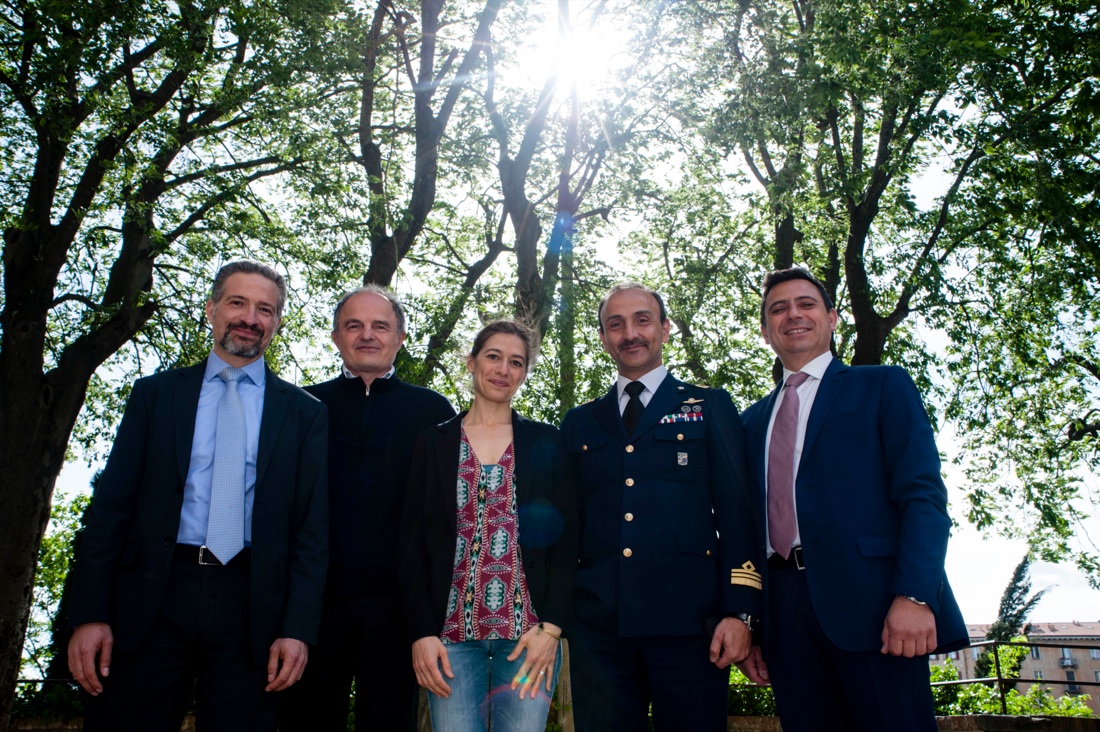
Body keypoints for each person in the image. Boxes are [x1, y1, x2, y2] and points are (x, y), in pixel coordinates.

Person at [67, 260, 329, 731]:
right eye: (238, 302)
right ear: (211, 309)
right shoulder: (155, 395)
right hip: (152, 596)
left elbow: (312, 532)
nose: (250, 317)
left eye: (265, 309)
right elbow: (111, 509)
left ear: (276, 323)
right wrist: (89, 614)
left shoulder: (305, 414)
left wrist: (297, 629)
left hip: (251, 609)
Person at [738, 267, 969, 731]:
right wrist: (753, 625)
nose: (793, 315)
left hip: (877, 610)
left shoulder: (882, 386)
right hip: (783, 617)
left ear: (832, 317)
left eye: (806, 304)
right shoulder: (748, 422)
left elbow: (922, 496)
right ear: (765, 331)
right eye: (777, 309)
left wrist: (916, 595)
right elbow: (743, 528)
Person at [560, 282, 762, 732]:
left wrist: (740, 611)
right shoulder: (579, 423)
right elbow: (565, 528)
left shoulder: (708, 406)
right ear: (603, 337)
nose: (630, 333)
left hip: (690, 629)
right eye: (616, 324)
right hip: (600, 632)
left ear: (665, 329)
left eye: (642, 320)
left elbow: (737, 515)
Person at [280, 285, 455, 731]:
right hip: (315, 606)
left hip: (400, 608)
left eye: (380, 325)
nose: (367, 335)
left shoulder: (433, 412)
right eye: (353, 325)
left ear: (399, 337)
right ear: (336, 337)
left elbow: (445, 518)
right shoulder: (301, 407)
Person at [399, 320, 578, 732]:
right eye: (493, 356)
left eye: (516, 362)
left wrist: (551, 630)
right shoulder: (434, 442)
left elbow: (568, 543)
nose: (503, 369)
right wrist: (422, 633)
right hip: (451, 638)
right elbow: (411, 545)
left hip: (528, 638)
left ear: (524, 373)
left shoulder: (545, 443)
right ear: (472, 362)